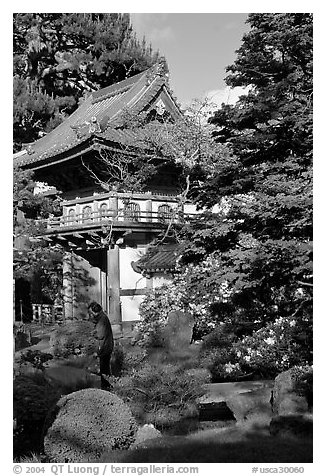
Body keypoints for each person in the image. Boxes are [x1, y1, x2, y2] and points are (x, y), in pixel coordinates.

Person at [88, 302, 114, 390]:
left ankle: (107, 387)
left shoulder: (102, 319)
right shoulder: (101, 317)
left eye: (91, 312)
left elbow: (100, 334)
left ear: (95, 312)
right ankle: (107, 385)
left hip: (105, 347)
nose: (90, 314)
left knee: (104, 369)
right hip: (106, 345)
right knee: (104, 368)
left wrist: (92, 333)